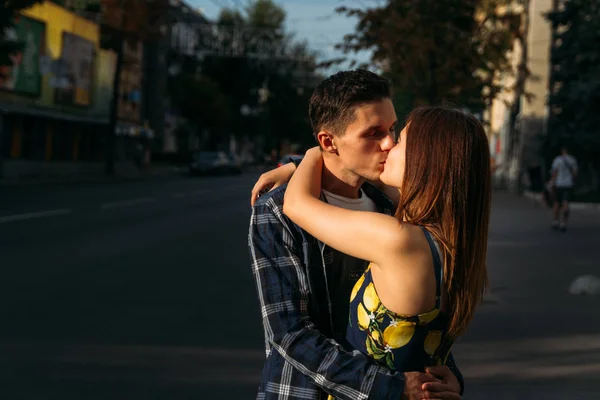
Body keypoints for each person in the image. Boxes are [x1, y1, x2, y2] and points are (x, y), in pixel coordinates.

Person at [248, 70, 464, 400]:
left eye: (392, 129)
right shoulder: (277, 210)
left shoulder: (389, 209)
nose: (389, 142)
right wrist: (391, 387)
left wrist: (448, 376)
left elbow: (406, 321)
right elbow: (289, 333)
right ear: (328, 142)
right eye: (373, 133)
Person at [549, 146, 577, 232]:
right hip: (568, 184)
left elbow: (554, 172)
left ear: (562, 151)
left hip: (559, 184)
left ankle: (556, 221)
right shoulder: (572, 160)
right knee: (566, 203)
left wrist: (551, 182)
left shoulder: (557, 160)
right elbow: (575, 174)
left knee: (557, 203)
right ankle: (564, 223)